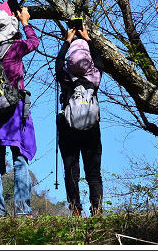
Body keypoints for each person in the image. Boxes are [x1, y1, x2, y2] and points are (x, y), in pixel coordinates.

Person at [0, 4, 39, 220]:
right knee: (20, 158)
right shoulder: (15, 48)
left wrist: (8, 17)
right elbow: (34, 42)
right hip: (14, 111)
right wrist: (24, 22)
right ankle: (23, 211)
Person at [54, 25, 104, 217]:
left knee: (71, 170)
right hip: (92, 128)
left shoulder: (65, 76)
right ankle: (97, 209)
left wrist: (68, 40)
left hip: (68, 129)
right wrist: (88, 38)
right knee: (93, 172)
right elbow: (100, 61)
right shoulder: (95, 76)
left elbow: (59, 62)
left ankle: (75, 209)